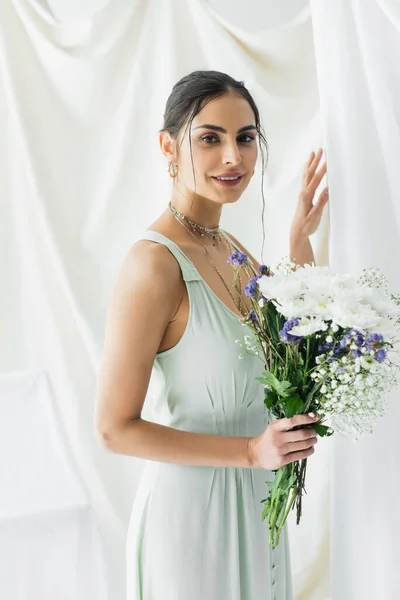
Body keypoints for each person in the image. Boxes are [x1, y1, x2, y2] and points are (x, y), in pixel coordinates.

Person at [94, 70, 329, 600]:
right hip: (193, 524)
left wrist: (298, 240)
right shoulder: (154, 263)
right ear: (168, 146)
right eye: (211, 138)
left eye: (245, 138)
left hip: (255, 510)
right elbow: (113, 429)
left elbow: (285, 353)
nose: (233, 158)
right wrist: (249, 452)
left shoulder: (230, 248)